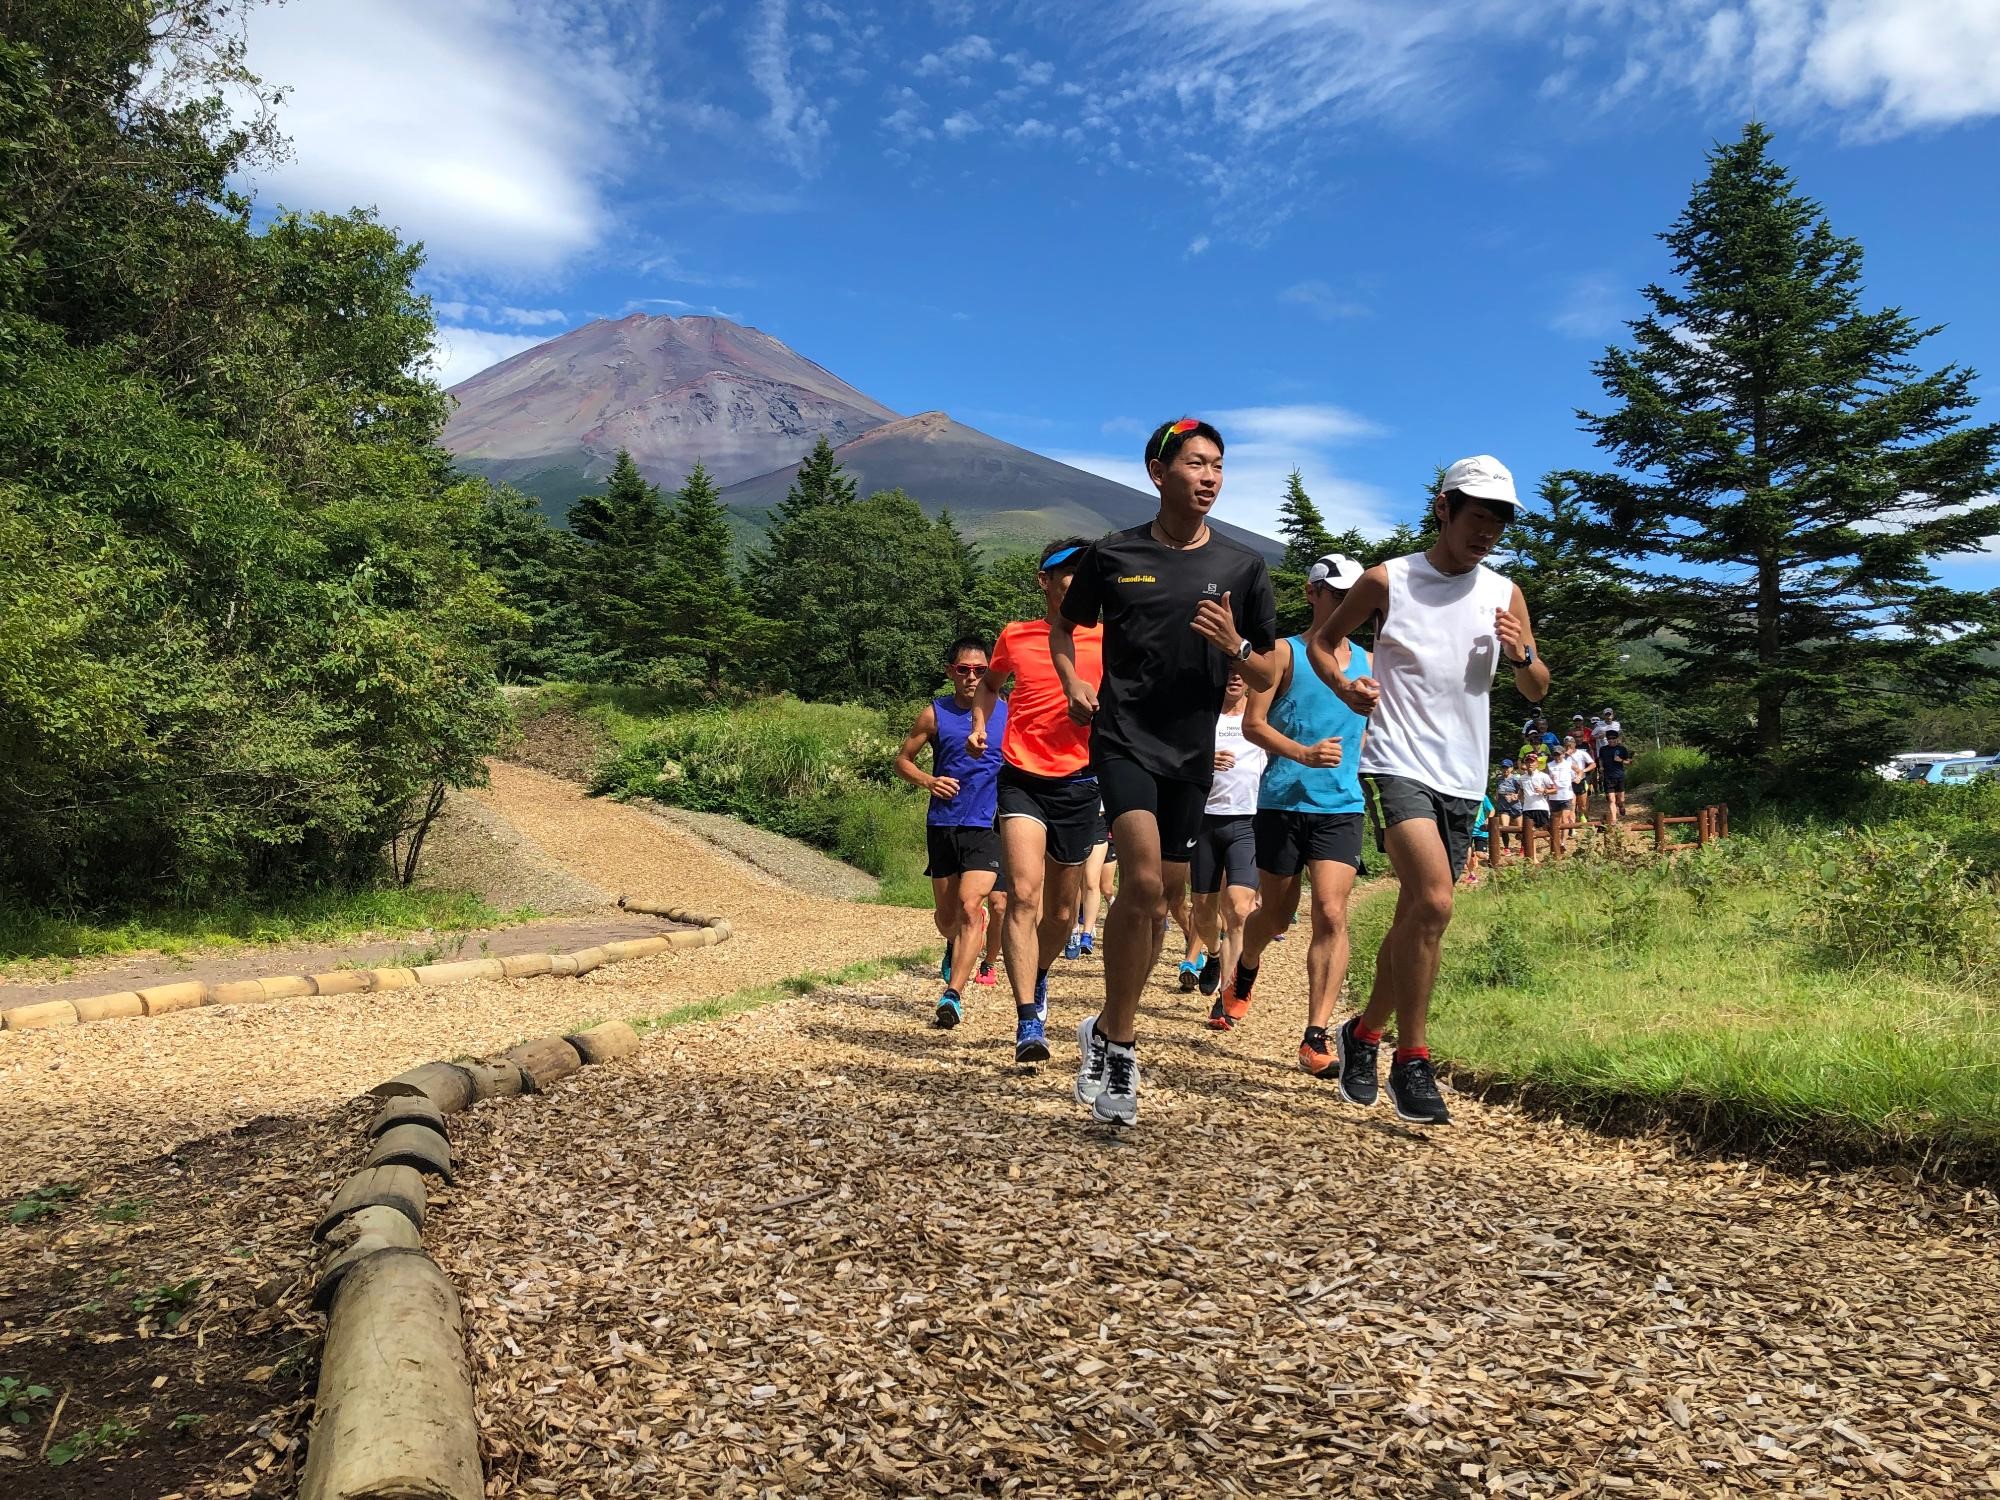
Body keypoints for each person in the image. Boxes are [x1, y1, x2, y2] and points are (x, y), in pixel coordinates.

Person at [1306, 454, 1550, 1125]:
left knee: (1418, 912)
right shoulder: (1391, 580)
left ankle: (1363, 1033)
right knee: (1437, 902)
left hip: (1464, 774)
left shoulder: (1505, 595)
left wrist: (1522, 654)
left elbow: (1538, 686)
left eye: (1499, 523)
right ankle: (1413, 1058)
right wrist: (1343, 684)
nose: (1487, 533)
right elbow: (1325, 643)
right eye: (1477, 517)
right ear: (1444, 509)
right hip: (1395, 761)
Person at [1054, 418, 1279, 1126]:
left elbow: (1271, 664)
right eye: (1195, 464)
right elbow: (1066, 624)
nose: (1210, 476)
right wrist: (1072, 682)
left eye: (1218, 465)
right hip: (1123, 740)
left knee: (1164, 901)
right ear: (1159, 473)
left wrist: (1236, 642)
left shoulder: (1243, 567)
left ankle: (1103, 1023)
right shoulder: (1114, 554)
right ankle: (1121, 1042)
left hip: (1191, 756)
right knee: (1144, 882)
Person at [1213, 552, 1370, 1079]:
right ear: (1312, 594)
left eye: (1355, 597)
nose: (1347, 605)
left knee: (1330, 911)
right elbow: (1254, 724)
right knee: (1275, 917)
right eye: (1337, 595)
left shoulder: (1370, 662)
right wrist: (1302, 754)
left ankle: (1315, 1035)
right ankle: (1245, 969)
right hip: (1281, 801)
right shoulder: (1283, 654)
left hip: (1341, 806)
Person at [970, 538, 1104, 1064]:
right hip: (1021, 776)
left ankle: (1040, 973)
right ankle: (1028, 1018)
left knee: (1063, 911)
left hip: (1080, 780)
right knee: (1024, 896)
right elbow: (989, 685)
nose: (1074, 577)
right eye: (1064, 570)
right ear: (1043, 581)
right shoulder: (1016, 635)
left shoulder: (1106, 637)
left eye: (1083, 570)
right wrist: (983, 722)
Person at [894, 637, 1006, 1028]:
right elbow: (902, 761)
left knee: (971, 905)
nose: (972, 676)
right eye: (964, 669)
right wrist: (929, 781)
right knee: (948, 916)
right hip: (943, 822)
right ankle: (954, 941)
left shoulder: (1008, 713)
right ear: (951, 673)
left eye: (980, 670)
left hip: (987, 823)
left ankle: (953, 995)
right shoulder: (935, 713)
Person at [1191, 669, 1265, 1022]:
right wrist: (1205, 761)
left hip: (1246, 821)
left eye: (1241, 672)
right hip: (1204, 821)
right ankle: (1215, 952)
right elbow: (1177, 756)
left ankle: (1225, 995)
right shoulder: (1201, 714)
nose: (1234, 677)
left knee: (1238, 909)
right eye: (1228, 670)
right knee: (1203, 911)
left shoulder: (1261, 715)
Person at [1547, 736, 1577, 852]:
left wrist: (1578, 777)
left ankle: (1563, 842)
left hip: (1566, 795)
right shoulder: (1549, 765)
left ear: (1564, 754)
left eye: (1559, 754)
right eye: (1555, 754)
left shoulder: (1568, 764)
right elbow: (1544, 778)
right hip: (1554, 796)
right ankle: (1557, 842)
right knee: (1556, 820)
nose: (1557, 757)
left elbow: (1579, 771)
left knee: (1565, 819)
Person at [1598, 727, 1635, 822]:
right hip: (1608, 777)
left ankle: (1621, 806)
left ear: (1617, 739)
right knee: (1611, 799)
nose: (1611, 740)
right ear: (1607, 739)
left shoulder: (1622, 749)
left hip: (1619, 776)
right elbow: (1600, 759)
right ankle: (1614, 819)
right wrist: (1601, 767)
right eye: (1609, 739)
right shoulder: (1603, 749)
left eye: (1613, 738)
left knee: (1621, 800)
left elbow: (1630, 762)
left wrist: (1621, 760)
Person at [1522, 752, 1554, 860]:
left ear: (1537, 763)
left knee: (1545, 832)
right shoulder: (1522, 778)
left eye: (1532, 761)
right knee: (1529, 833)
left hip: (1541, 807)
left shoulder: (1543, 776)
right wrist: (1515, 797)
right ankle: (1534, 859)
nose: (1530, 764)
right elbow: (1521, 793)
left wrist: (1544, 790)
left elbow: (1555, 789)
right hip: (1527, 808)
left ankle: (1556, 848)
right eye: (1528, 762)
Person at [1492, 758, 1524, 860]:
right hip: (1503, 806)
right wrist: (1496, 796)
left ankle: (1522, 848)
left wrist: (1515, 796)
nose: (1505, 769)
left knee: (1521, 829)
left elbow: (1522, 792)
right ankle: (1506, 848)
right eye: (1503, 767)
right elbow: (1497, 790)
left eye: (1507, 767)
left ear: (1511, 768)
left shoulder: (1515, 779)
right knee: (1505, 828)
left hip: (1515, 806)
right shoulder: (1499, 779)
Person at [1564, 735, 1596, 832]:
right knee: (1572, 805)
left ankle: (1582, 814)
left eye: (1570, 745)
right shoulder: (1562, 756)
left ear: (1574, 744)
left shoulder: (1581, 753)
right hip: (1568, 783)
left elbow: (1593, 764)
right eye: (1566, 745)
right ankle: (1572, 828)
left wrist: (1584, 771)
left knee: (1582, 805)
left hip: (1581, 780)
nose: (1568, 747)